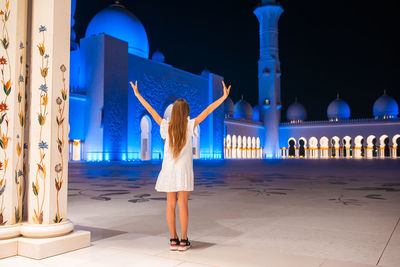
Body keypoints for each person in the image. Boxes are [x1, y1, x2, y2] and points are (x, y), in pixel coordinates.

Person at [130, 80, 231, 251]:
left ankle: (173, 239)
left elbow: (151, 111)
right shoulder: (190, 124)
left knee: (170, 204)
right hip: (183, 171)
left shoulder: (166, 126)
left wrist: (138, 94)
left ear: (174, 112)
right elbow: (208, 110)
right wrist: (223, 97)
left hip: (169, 170)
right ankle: (184, 240)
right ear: (186, 112)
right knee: (183, 203)